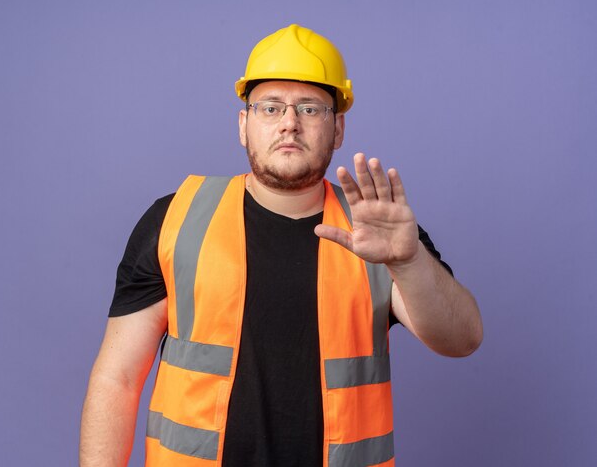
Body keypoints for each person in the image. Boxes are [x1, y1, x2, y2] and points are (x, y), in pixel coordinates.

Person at [79, 24, 483, 467]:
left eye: (310, 108)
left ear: (338, 128)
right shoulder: (177, 219)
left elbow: (462, 339)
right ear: (243, 124)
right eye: (270, 107)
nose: (290, 122)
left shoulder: (381, 232)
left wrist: (408, 262)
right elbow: (116, 380)